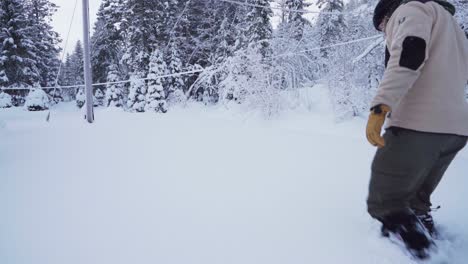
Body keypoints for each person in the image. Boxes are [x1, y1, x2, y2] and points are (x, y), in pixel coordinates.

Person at [366, 0, 468, 258]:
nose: (385, 33)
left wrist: (381, 106)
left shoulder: (409, 10)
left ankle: (422, 253)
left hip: (417, 124)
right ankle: (423, 224)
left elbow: (408, 56)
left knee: (385, 199)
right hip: (455, 130)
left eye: (382, 27)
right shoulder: (452, 26)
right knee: (416, 197)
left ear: (386, 15)